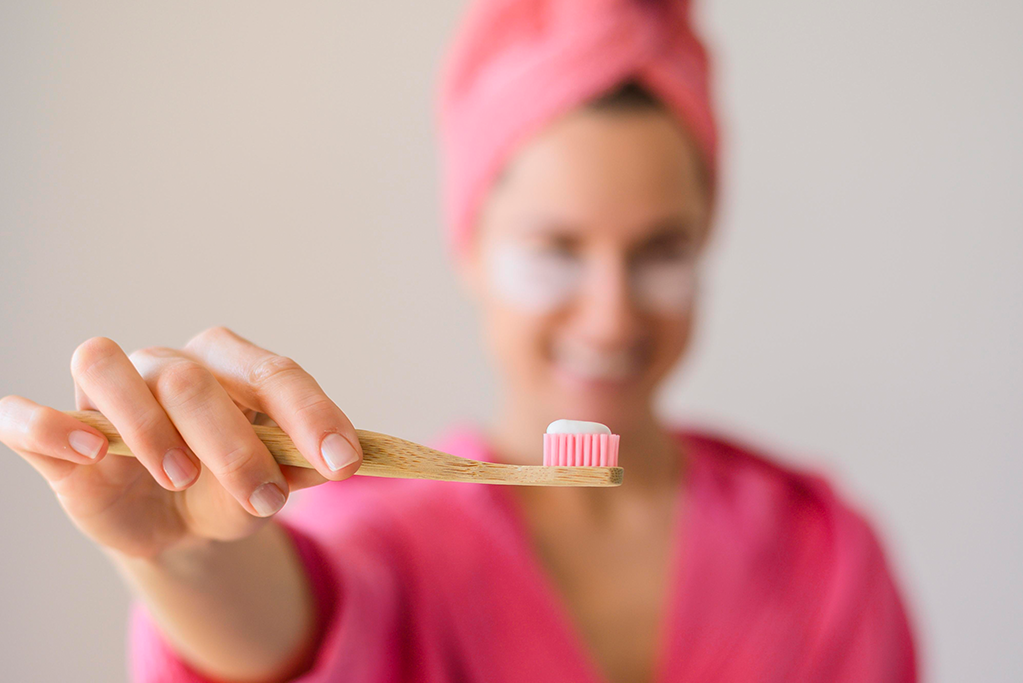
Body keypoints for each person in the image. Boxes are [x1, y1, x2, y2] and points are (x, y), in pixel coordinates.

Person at [0, 0, 917, 681]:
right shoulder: (378, 533)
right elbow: (290, 627)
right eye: (555, 251)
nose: (610, 315)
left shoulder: (823, 549)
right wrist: (183, 556)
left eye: (660, 251)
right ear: (469, 246)